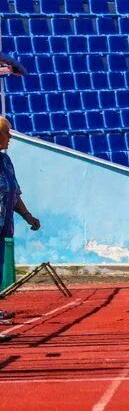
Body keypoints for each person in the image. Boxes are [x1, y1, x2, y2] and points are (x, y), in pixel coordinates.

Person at [0, 116, 41, 324]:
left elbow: (14, 193)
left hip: (3, 226)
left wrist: (27, 216)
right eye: (7, 133)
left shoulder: (5, 161)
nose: (10, 138)